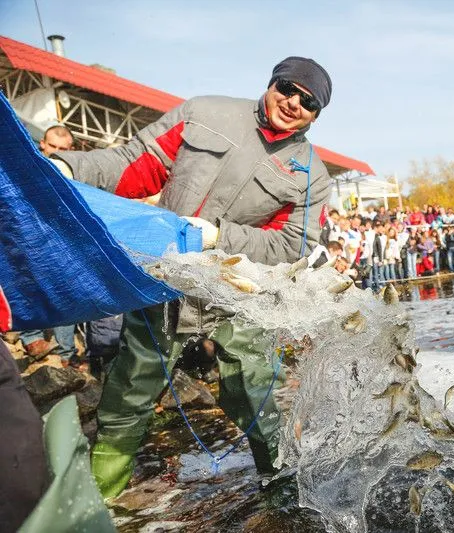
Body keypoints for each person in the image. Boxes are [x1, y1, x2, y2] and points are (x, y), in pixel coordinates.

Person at [51, 56, 333, 498]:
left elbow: (290, 247)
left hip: (238, 298)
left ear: (316, 115)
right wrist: (69, 169)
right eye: (286, 87)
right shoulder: (203, 112)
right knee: (131, 389)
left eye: (308, 101)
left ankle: (281, 495)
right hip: (165, 282)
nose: (292, 101)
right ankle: (101, 501)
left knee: (255, 396)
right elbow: (131, 163)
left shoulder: (312, 175)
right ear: (271, 82)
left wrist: (220, 237)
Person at [20, 125, 80, 364]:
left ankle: (65, 353)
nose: (55, 152)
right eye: (52, 146)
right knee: (29, 285)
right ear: (42, 144)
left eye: (62, 149)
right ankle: (32, 339)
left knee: (67, 291)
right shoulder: (25, 168)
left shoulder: (72, 173)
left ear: (71, 150)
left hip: (61, 241)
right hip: (29, 238)